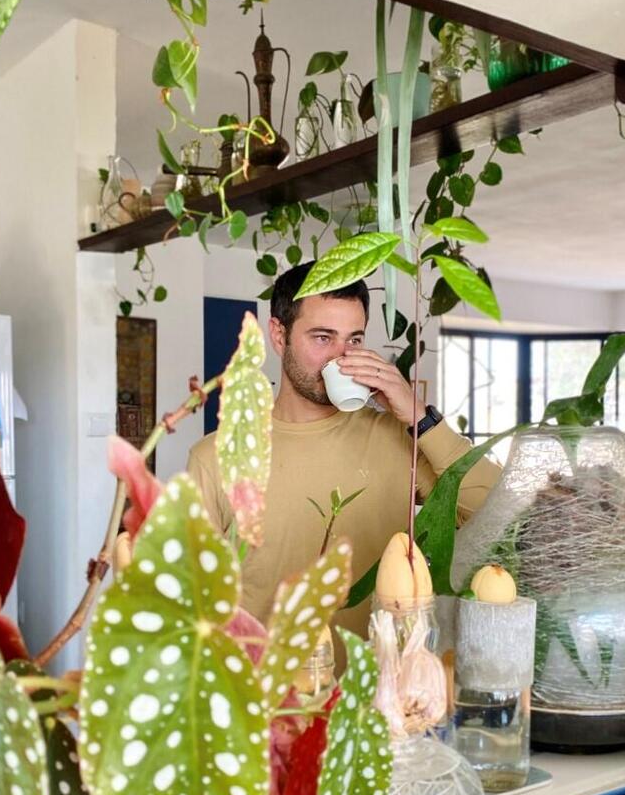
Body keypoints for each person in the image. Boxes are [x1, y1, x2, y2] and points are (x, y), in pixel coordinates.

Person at [187, 262, 501, 638]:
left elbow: (495, 514)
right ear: (279, 335)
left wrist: (419, 416)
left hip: (379, 687)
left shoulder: (400, 437)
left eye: (354, 340)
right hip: (266, 689)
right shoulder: (215, 456)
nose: (341, 358)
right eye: (323, 338)